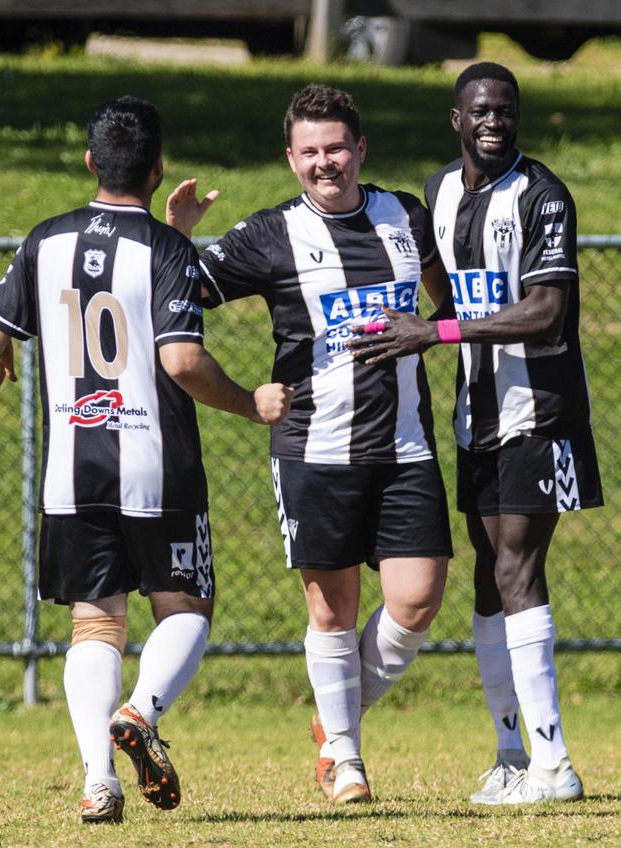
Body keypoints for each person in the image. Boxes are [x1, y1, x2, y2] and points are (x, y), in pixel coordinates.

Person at [0, 96, 292, 824]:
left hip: (72, 469)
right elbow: (181, 360)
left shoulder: (43, 239)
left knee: (95, 623)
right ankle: (142, 712)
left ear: (90, 162)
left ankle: (96, 779)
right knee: (186, 605)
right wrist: (249, 403)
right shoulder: (168, 251)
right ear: (158, 168)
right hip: (157, 461)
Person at [166, 83, 453, 805]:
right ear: (291, 160)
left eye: (336, 148)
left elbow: (448, 296)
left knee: (415, 601)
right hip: (312, 446)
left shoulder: (404, 215)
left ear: (361, 150)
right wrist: (176, 235)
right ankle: (346, 760)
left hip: (405, 443)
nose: (326, 163)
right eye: (310, 152)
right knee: (333, 611)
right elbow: (178, 293)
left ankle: (332, 722)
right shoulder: (270, 233)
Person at [348, 63, 604, 805]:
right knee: (490, 577)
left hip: (540, 411)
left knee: (520, 570)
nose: (495, 122)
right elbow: (437, 283)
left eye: (507, 111)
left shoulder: (543, 196)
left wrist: (438, 331)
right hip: (477, 416)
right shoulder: (439, 191)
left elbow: (547, 309)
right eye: (482, 111)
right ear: (457, 119)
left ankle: (555, 765)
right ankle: (510, 755)